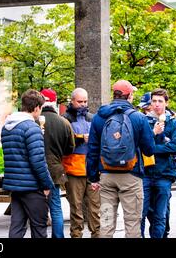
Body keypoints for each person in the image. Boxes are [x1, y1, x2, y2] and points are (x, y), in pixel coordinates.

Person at [86, 80, 155, 238]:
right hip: (131, 176)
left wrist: (93, 177)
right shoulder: (138, 118)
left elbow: (92, 150)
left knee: (106, 223)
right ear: (130, 95)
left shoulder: (99, 117)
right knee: (132, 224)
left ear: (114, 94)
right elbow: (149, 150)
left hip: (106, 177)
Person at [1, 89, 54, 238]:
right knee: (39, 228)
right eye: (41, 108)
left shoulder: (7, 127)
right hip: (32, 187)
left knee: (16, 227)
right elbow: (38, 162)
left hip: (16, 186)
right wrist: (47, 184)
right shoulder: (32, 128)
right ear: (36, 107)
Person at [141, 88, 176, 238]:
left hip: (165, 174)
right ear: (150, 103)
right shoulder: (144, 122)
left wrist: (151, 148)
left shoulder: (174, 124)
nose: (157, 104)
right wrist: (154, 134)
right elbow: (139, 145)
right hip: (145, 173)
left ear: (166, 103)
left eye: (160, 101)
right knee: (141, 214)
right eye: (154, 101)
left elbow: (175, 147)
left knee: (160, 216)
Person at [62, 88, 101, 238]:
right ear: (72, 101)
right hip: (73, 169)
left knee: (95, 208)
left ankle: (97, 234)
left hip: (91, 169)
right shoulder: (65, 119)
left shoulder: (92, 118)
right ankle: (76, 235)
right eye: (80, 102)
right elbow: (63, 143)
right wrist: (79, 139)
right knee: (76, 208)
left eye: (85, 101)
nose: (83, 104)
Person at [39, 88, 75, 238]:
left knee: (38, 208)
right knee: (56, 207)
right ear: (54, 102)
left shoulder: (33, 120)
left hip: (36, 169)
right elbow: (70, 149)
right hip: (55, 170)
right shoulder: (64, 122)